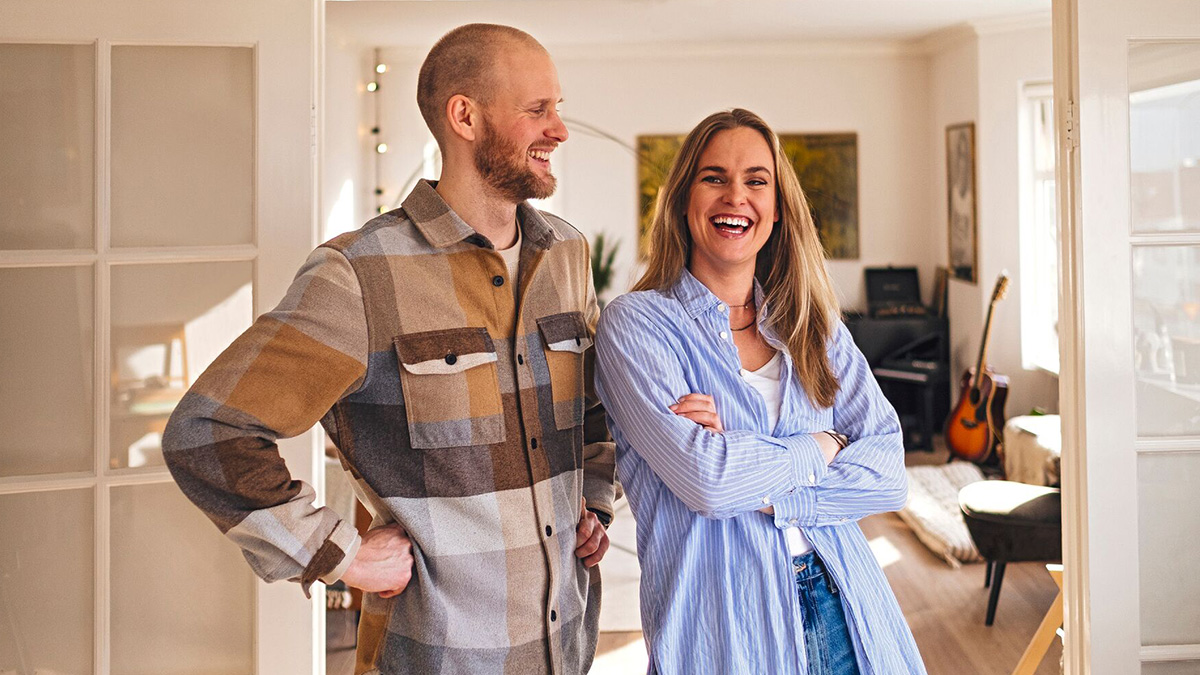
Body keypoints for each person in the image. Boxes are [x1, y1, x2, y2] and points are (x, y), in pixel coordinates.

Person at [162, 23, 617, 675]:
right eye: (537, 109)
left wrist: (592, 501)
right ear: (465, 116)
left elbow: (595, 410)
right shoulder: (359, 274)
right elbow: (207, 430)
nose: (560, 130)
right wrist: (340, 554)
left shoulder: (566, 254)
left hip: (565, 649)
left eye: (558, 108)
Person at [594, 108, 925, 674]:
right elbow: (710, 482)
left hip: (846, 599)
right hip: (725, 624)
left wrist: (753, 471)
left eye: (756, 181)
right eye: (714, 177)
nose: (735, 197)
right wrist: (822, 445)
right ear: (683, 199)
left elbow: (890, 474)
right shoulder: (637, 325)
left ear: (776, 208)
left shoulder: (814, 325)